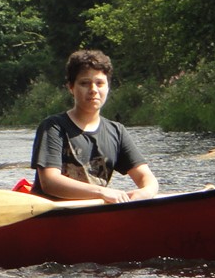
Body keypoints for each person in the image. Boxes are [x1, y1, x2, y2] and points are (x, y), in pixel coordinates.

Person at [30, 49, 159, 203]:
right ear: (71, 87)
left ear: (108, 87)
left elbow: (146, 177)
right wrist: (102, 192)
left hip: (94, 213)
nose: (93, 90)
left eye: (100, 83)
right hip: (53, 215)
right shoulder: (53, 127)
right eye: (85, 83)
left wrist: (145, 192)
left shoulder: (117, 132)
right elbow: (50, 182)